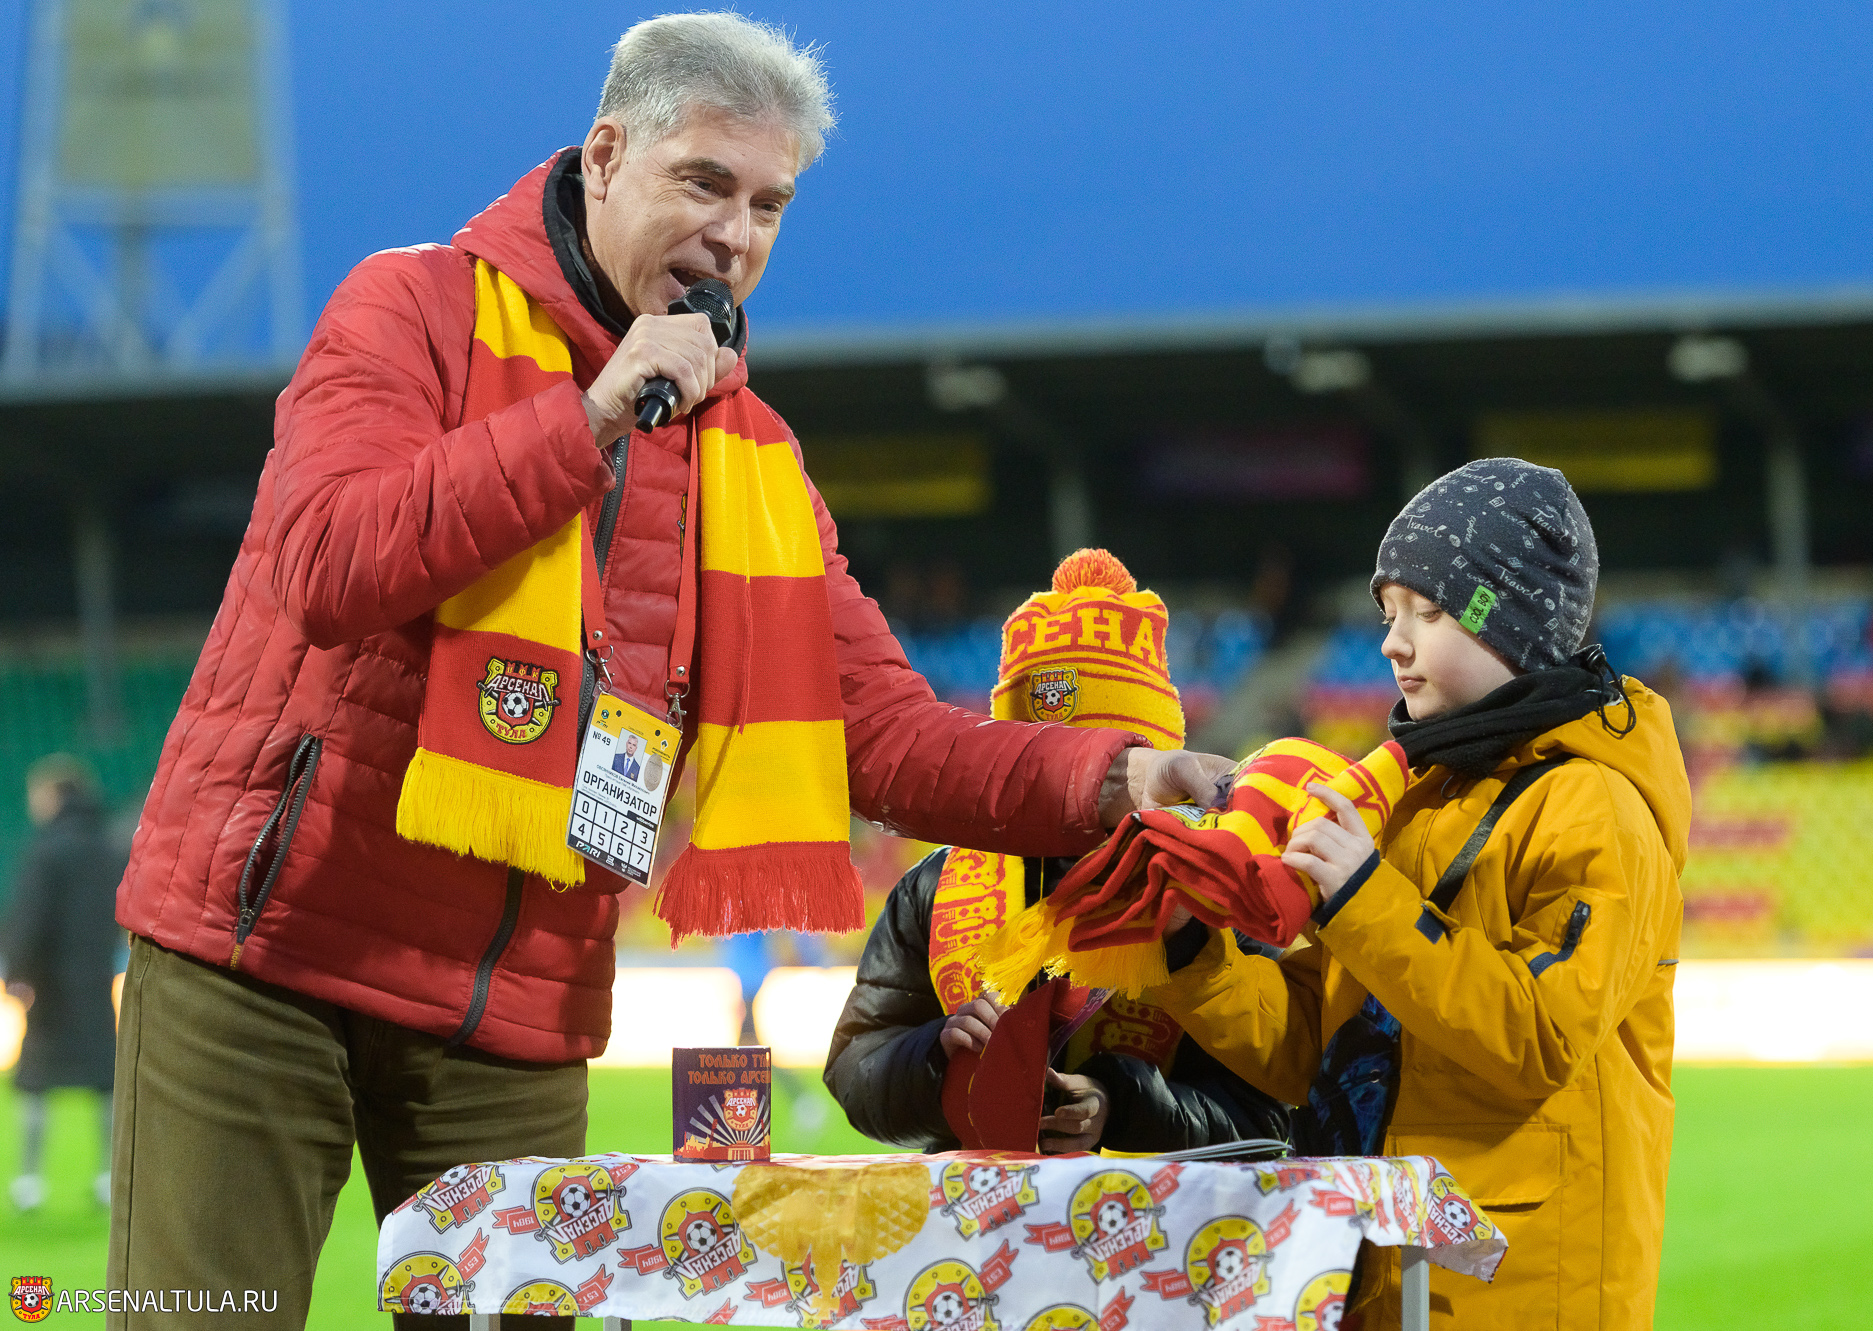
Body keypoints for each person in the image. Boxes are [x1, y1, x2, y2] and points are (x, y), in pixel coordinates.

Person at [107, 16, 1230, 1328]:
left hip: (517, 1013)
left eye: (768, 204)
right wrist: (591, 415)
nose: (735, 234)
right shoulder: (410, 305)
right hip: (265, 956)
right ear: (603, 156)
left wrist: (1118, 775)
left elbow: (885, 733)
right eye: (704, 181)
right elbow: (328, 563)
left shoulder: (749, 460)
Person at [1150, 459, 1689, 1329]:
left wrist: (1364, 894)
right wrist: (1188, 946)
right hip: (1377, 1273)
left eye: (1427, 613)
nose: (1393, 643)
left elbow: (1540, 1035)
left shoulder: (1597, 805)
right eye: (1388, 614)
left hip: (1520, 1292)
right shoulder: (1412, 792)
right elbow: (1315, 1044)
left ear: (1508, 620)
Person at [825, 551, 1292, 1154]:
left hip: (1155, 1213)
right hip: (970, 1212)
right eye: (1044, 760)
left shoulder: (1219, 886)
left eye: (1114, 767)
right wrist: (936, 1053)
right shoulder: (933, 886)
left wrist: (1119, 1106)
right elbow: (855, 1067)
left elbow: (1271, 1110)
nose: (1078, 786)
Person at [2, 755, 125, 1212]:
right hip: (96, 981)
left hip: (50, 987)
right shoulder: (110, 849)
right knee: (106, 1083)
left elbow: (29, 920)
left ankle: (29, 1183)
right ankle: (109, 1179)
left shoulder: (45, 852)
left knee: (35, 1085)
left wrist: (18, 975)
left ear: (52, 795)